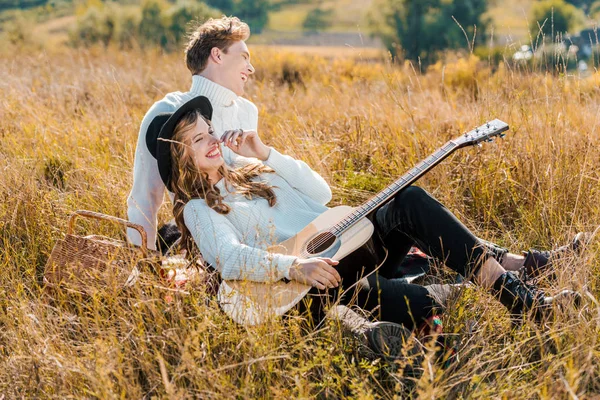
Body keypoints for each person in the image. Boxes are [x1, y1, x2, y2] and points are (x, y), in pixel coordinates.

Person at [144, 95, 582, 328]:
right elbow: (229, 257)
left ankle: (522, 302)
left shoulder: (249, 168)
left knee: (408, 201)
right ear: (181, 159)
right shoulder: (200, 209)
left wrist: (267, 153)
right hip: (305, 285)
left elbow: (321, 192)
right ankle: (516, 274)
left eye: (209, 131)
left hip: (347, 243)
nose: (212, 141)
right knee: (420, 303)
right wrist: (296, 266)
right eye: (198, 140)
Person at [127, 16, 257, 250]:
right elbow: (144, 199)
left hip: (257, 231)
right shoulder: (167, 111)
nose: (251, 68)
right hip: (204, 241)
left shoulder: (248, 111)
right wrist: (144, 266)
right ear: (217, 55)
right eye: (244, 57)